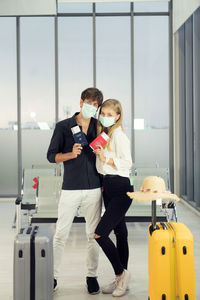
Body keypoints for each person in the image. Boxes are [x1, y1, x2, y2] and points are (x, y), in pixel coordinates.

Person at [47, 87, 103, 294]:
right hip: (70, 188)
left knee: (93, 235)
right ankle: (52, 276)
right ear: (81, 102)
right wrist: (70, 154)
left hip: (94, 189)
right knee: (61, 234)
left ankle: (92, 276)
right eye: (89, 103)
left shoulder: (99, 127)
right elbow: (51, 156)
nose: (92, 108)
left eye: (96, 105)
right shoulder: (63, 127)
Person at [93, 99, 133, 297]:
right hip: (108, 185)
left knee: (100, 234)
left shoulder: (119, 136)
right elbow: (103, 167)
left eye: (110, 115)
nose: (106, 117)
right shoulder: (105, 135)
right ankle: (121, 279)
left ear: (118, 116)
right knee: (121, 233)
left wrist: (105, 158)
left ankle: (120, 273)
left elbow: (128, 163)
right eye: (103, 114)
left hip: (120, 187)